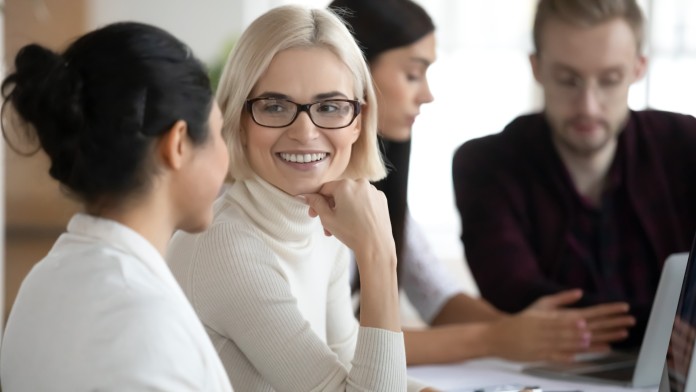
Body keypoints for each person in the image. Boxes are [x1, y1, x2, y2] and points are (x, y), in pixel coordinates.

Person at [330, 0, 639, 365]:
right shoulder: (311, 194)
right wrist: (496, 337)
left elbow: (438, 297)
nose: (427, 94)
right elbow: (339, 341)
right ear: (353, 73)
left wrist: (535, 333)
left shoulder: (374, 192)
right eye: (413, 74)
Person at [167, 5, 430, 391]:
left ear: (357, 121)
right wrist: (378, 256)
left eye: (329, 107)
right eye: (275, 106)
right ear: (239, 120)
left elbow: (354, 367)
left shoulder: (325, 226)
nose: (305, 133)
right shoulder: (225, 245)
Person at [0, 22, 233, 391]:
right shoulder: (144, 323)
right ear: (177, 144)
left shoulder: (43, 282)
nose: (228, 157)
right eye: (220, 134)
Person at [453, 0, 696, 350]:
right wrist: (664, 334)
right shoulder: (485, 163)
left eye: (610, 81)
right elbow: (517, 297)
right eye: (568, 81)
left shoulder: (684, 145)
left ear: (638, 68)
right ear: (536, 68)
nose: (588, 105)